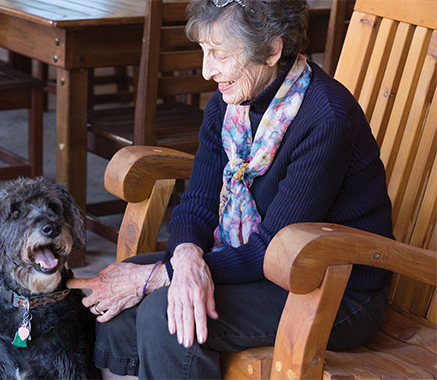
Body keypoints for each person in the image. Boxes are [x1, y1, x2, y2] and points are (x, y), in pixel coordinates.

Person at [68, 0, 393, 378]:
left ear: (272, 50)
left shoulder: (325, 118)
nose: (207, 71)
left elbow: (275, 249)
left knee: (163, 310)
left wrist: (162, 275)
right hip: (260, 262)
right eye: (204, 52)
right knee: (116, 288)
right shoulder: (229, 105)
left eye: (219, 54)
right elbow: (199, 203)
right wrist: (186, 258)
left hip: (333, 288)